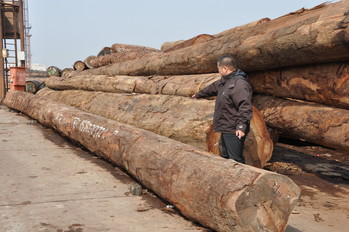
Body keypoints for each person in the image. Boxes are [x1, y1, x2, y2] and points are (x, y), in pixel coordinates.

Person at [192, 54, 252, 163]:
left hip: (234, 129)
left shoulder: (239, 84)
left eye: (219, 68)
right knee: (225, 157)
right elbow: (211, 88)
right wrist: (198, 94)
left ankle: (240, 179)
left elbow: (245, 106)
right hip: (226, 127)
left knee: (236, 160)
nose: (218, 70)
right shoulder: (225, 82)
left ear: (224, 68)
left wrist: (241, 126)